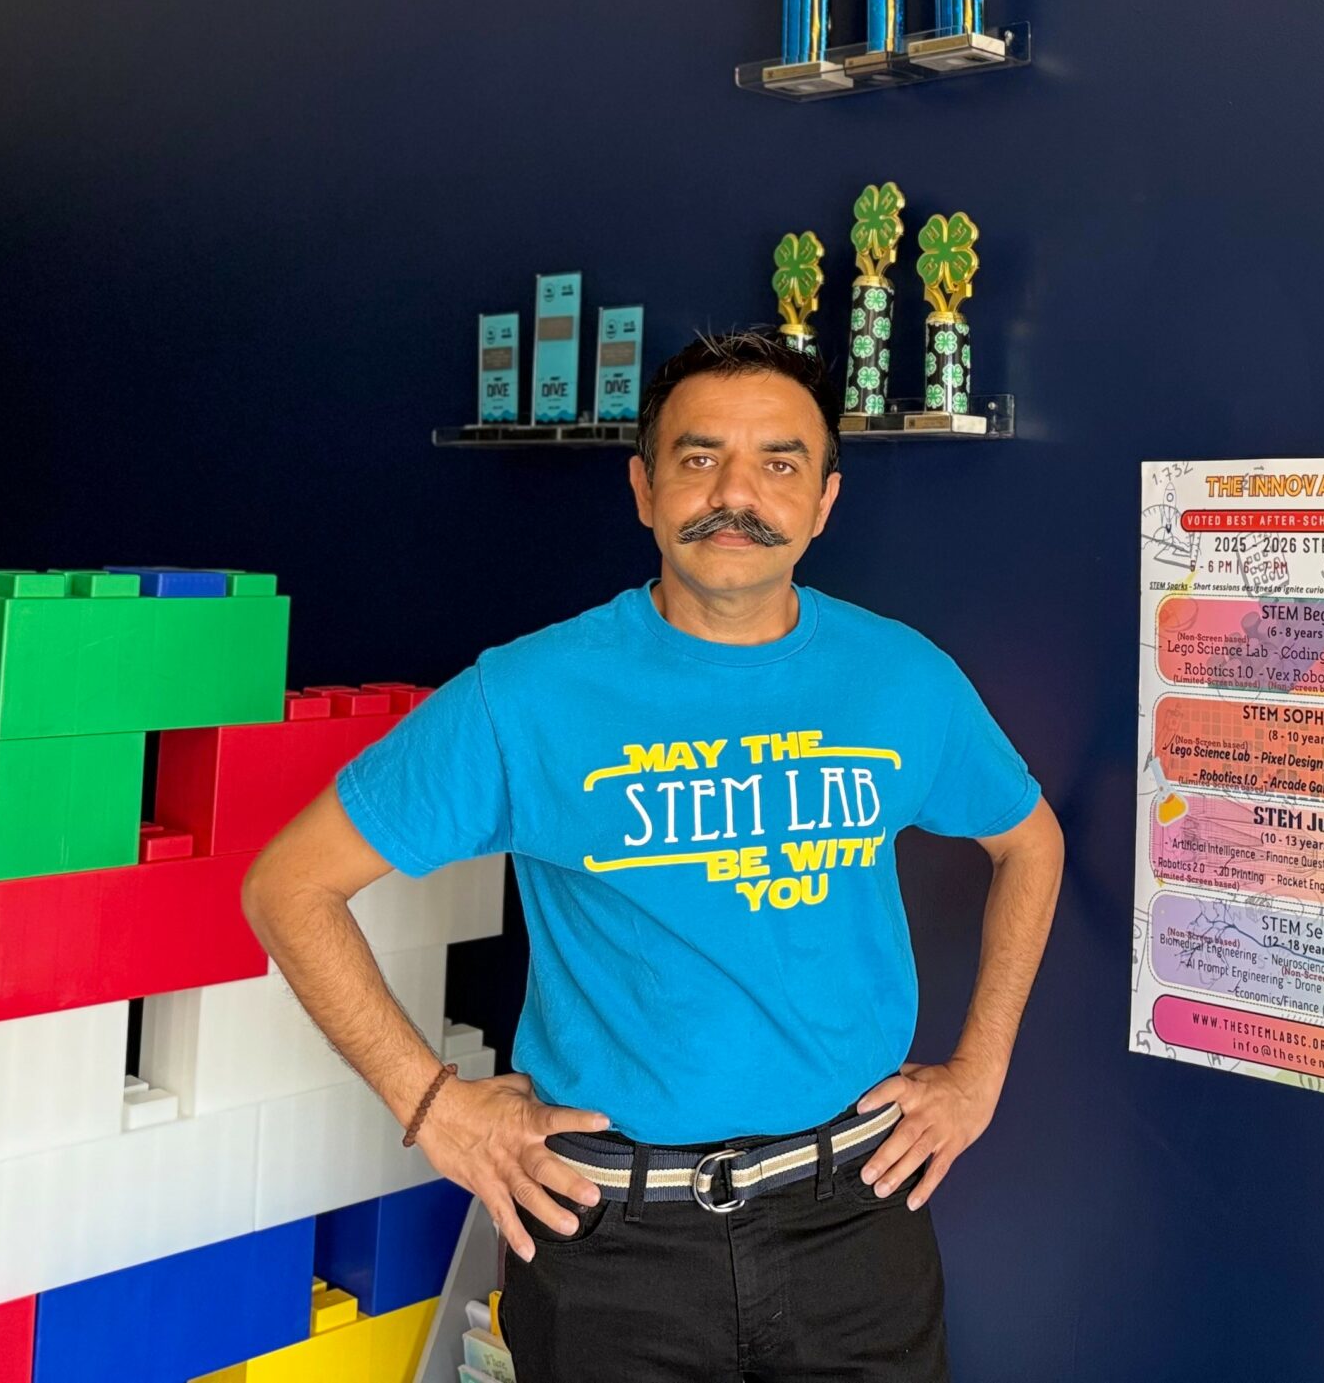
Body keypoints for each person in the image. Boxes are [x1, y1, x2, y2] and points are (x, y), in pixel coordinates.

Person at [243, 329, 1064, 1382]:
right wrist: (432, 1104)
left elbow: (1028, 841)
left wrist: (981, 1070)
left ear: (824, 501)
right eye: (697, 455)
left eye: (780, 462)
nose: (737, 491)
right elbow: (290, 884)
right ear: (643, 487)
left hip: (855, 1223)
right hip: (609, 1242)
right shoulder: (525, 694)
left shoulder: (903, 679)